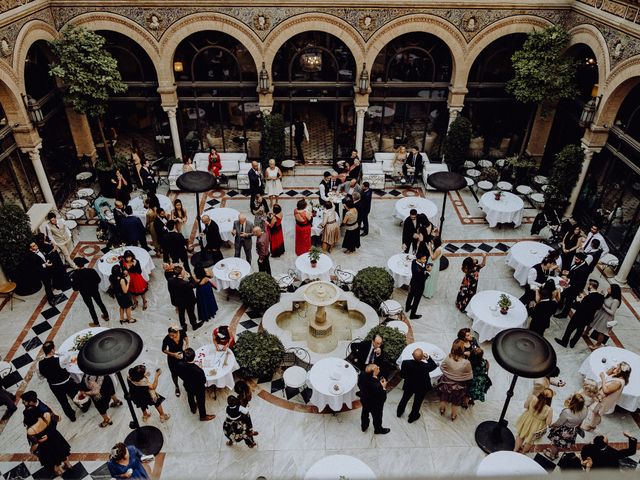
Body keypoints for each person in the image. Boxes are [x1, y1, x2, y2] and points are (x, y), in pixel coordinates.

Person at [582, 361, 631, 430]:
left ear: (620, 371)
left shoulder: (618, 382)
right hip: (602, 398)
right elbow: (608, 375)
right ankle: (595, 421)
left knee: (596, 412)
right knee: (595, 411)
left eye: (617, 368)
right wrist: (610, 371)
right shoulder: (617, 376)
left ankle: (592, 426)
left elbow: (606, 391)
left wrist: (603, 378)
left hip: (604, 401)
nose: (615, 368)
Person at [555, 279, 604, 348]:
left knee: (570, 329)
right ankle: (572, 343)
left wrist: (578, 300)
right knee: (579, 331)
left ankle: (564, 342)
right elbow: (598, 307)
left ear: (591, 286)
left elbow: (579, 307)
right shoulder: (600, 297)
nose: (588, 286)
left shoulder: (588, 298)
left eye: (589, 285)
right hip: (588, 317)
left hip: (579, 316)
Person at [24, 408, 71, 476]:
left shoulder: (31, 430)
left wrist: (32, 450)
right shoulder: (47, 415)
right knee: (62, 452)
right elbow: (58, 419)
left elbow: (36, 444)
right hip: (55, 438)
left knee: (52, 459)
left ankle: (59, 472)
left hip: (45, 446)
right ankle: (68, 465)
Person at [38, 341, 78, 421]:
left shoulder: (39, 364)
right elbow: (67, 354)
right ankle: (83, 407)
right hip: (67, 382)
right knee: (75, 395)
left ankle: (72, 417)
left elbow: (41, 377)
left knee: (63, 402)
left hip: (54, 386)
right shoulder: (60, 360)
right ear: (52, 350)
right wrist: (55, 352)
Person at [434, 340, 473, 421]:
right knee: (455, 403)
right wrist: (459, 377)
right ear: (462, 350)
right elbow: (469, 376)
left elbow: (442, 367)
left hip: (446, 384)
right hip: (458, 387)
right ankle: (453, 415)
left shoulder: (448, 358)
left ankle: (442, 410)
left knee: (443, 398)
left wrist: (449, 375)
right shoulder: (466, 363)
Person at [396, 348, 437, 423]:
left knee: (404, 399)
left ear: (412, 355)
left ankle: (399, 413)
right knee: (417, 403)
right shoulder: (425, 366)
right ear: (422, 357)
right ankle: (412, 417)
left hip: (409, 385)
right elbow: (434, 365)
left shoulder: (405, 363)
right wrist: (428, 358)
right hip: (421, 387)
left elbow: (402, 375)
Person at [543, 393, 588, 460]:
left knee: (555, 444)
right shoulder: (585, 409)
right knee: (561, 444)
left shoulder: (567, 412)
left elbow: (559, 422)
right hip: (572, 430)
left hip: (563, 430)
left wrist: (553, 425)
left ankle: (552, 455)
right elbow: (581, 421)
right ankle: (556, 453)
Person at [177, 348, 215, 421]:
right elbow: (203, 381)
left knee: (190, 396)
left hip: (187, 385)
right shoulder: (198, 370)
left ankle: (193, 409)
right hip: (198, 388)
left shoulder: (180, 364)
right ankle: (203, 416)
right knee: (200, 401)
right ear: (194, 356)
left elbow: (180, 374)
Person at [514, 388, 554, 453]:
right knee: (529, 441)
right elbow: (548, 423)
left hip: (526, 419)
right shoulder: (549, 409)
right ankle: (523, 452)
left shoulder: (532, 398)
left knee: (520, 435)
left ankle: (515, 449)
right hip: (537, 426)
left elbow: (525, 406)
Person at [167, 265, 202, 331]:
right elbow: (195, 285)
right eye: (183, 271)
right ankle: (194, 325)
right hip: (188, 301)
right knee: (191, 313)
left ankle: (183, 326)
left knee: (181, 313)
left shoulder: (170, 280)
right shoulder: (185, 283)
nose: (184, 272)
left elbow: (170, 291)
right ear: (180, 274)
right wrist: (190, 277)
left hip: (178, 301)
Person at [358, 364, 390, 434]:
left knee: (364, 414)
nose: (379, 367)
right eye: (377, 368)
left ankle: (364, 426)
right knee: (377, 417)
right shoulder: (377, 386)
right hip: (375, 405)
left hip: (364, 400)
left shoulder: (362, 374)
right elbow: (383, 398)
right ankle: (378, 429)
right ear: (373, 372)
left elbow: (359, 384)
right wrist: (384, 387)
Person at [557, 252, 591, 318]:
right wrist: (567, 274)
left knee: (569, 301)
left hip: (575, 287)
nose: (575, 260)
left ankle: (564, 314)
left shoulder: (584, 270)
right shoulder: (578, 263)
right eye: (575, 259)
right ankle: (560, 305)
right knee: (563, 294)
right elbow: (573, 271)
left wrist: (568, 280)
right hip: (571, 284)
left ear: (582, 260)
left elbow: (579, 282)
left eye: (577, 259)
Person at [588, 284, 622, 349]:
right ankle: (586, 332)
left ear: (614, 291)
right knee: (591, 322)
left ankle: (598, 344)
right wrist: (601, 296)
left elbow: (612, 312)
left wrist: (604, 307)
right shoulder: (609, 295)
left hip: (606, 317)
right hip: (600, 313)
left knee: (601, 331)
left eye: (610, 288)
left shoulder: (616, 301)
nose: (608, 289)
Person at [25, 241, 56, 306]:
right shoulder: (31, 256)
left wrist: (47, 260)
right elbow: (34, 268)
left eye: (35, 244)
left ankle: (52, 295)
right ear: (30, 249)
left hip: (47, 269)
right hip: (42, 273)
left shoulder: (40, 249)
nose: (36, 245)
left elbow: (44, 257)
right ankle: (50, 300)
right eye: (33, 246)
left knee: (50, 283)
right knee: (47, 286)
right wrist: (45, 265)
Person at [162, 325, 189, 397]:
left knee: (185, 370)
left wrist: (187, 344)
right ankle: (176, 386)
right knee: (174, 374)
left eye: (173, 335)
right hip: (172, 358)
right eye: (170, 335)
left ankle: (186, 383)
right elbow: (164, 350)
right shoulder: (167, 339)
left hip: (181, 355)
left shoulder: (182, 332)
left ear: (177, 332)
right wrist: (173, 354)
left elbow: (186, 337)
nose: (171, 337)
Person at [405, 252, 431, 319]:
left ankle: (407, 308)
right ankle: (412, 315)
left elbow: (422, 268)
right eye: (423, 259)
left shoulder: (414, 261)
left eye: (425, 259)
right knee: (416, 300)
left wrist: (425, 269)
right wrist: (428, 272)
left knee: (410, 296)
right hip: (419, 286)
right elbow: (422, 278)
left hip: (412, 282)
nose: (425, 261)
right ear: (418, 259)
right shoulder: (417, 270)